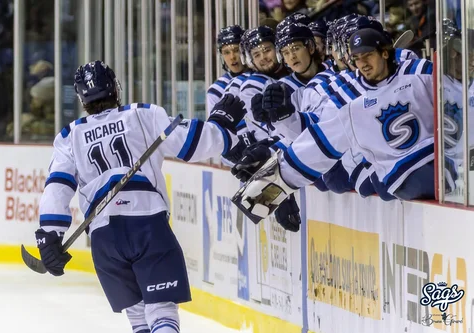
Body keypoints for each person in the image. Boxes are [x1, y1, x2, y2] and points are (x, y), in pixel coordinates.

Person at [34, 60, 245, 333]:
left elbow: (57, 187)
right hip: (147, 223)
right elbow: (193, 145)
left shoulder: (69, 136)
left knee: (138, 315)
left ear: (81, 98)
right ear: (115, 88)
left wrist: (49, 234)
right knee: (161, 309)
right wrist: (221, 126)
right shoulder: (142, 114)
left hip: (103, 236)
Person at [232, 28, 438, 223]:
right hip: (409, 179)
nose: (363, 64)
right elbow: (317, 147)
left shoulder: (420, 72)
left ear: (385, 53)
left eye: (368, 55)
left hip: (443, 168)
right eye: (357, 58)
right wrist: (262, 195)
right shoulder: (353, 105)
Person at [206, 25, 248, 114]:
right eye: (226, 52)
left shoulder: (261, 77)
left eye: (236, 50)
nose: (232, 57)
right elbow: (215, 126)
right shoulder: (216, 90)